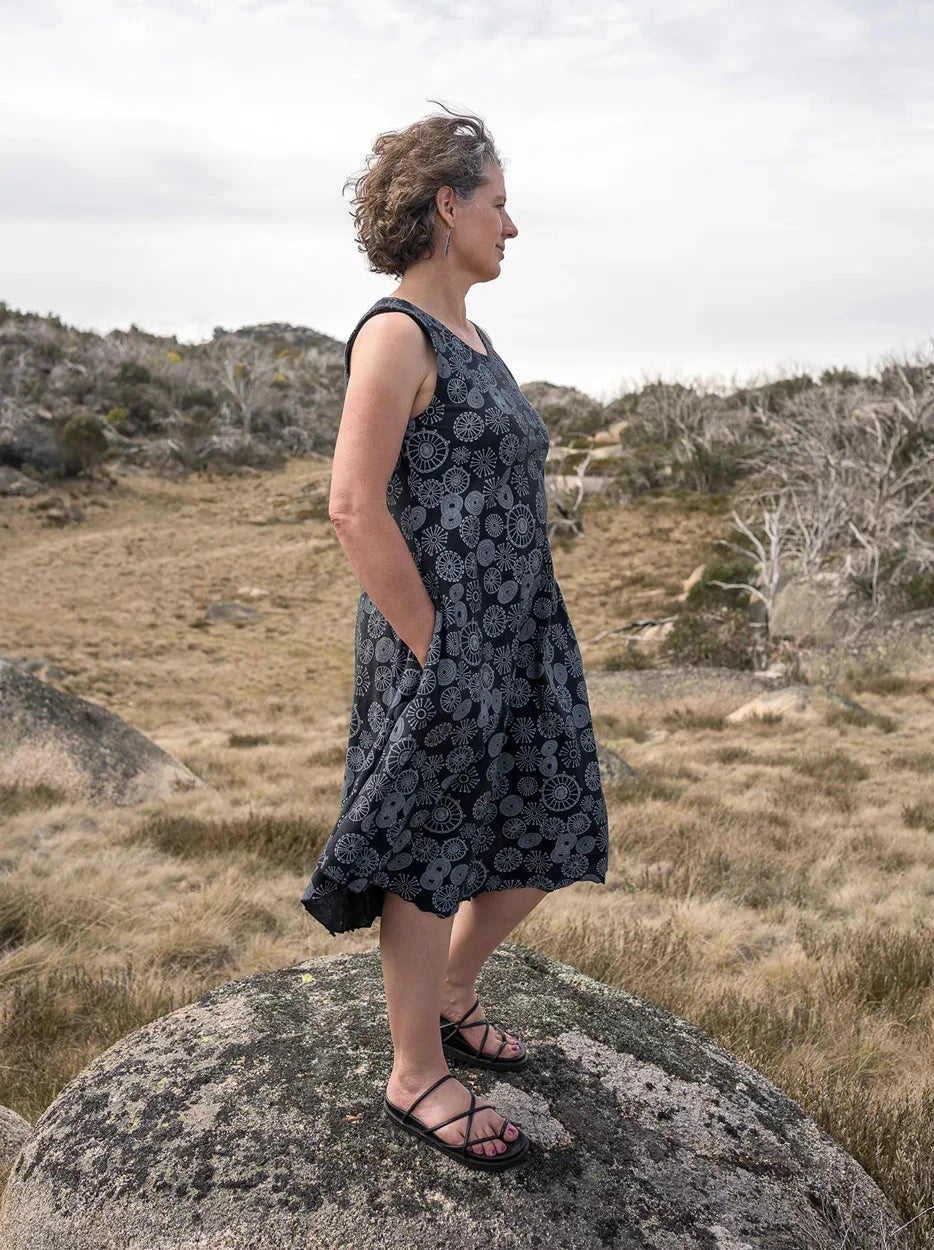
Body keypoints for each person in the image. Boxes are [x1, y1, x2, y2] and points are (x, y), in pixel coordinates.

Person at [300, 103, 609, 1171]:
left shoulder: (473, 337)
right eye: (498, 204)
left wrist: (511, 634)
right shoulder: (396, 334)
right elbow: (353, 505)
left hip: (518, 634)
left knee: (554, 819)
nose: (510, 226)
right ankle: (415, 1068)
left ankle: (455, 987)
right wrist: (435, 644)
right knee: (430, 846)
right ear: (448, 205)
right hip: (439, 643)